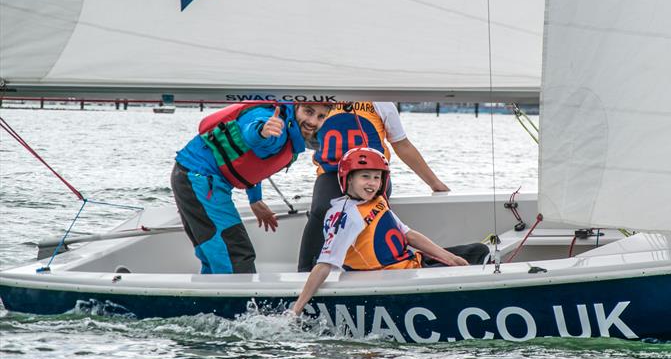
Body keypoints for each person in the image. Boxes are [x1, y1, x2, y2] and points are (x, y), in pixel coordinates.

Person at [289, 148, 488, 315]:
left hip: (412, 264)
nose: (372, 183)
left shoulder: (377, 201)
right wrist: (297, 309)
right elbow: (324, 265)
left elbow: (408, 235)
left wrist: (450, 258)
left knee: (479, 251)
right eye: (365, 176)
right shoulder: (345, 216)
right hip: (395, 279)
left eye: (377, 177)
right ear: (348, 179)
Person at [171, 101, 331, 274]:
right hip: (199, 179)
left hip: (193, 177)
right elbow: (252, 134)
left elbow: (253, 162)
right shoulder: (275, 124)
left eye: (321, 116)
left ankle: (211, 298)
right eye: (308, 112)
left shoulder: (288, 129)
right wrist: (262, 131)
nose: (313, 122)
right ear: (296, 107)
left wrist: (255, 199)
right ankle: (236, 301)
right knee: (235, 253)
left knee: (216, 255)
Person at [297, 101, 450, 271]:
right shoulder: (322, 100)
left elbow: (402, 144)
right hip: (332, 173)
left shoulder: (381, 102)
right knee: (321, 210)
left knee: (373, 214)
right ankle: (304, 272)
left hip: (372, 172)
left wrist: (434, 183)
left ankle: (382, 265)